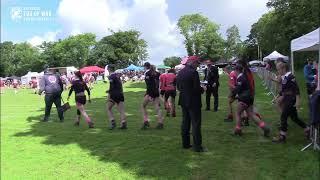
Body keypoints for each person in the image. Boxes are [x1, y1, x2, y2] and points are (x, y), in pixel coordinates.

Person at [272, 62, 310, 143]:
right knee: (294, 118)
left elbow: (296, 90)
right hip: (287, 99)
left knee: (283, 116)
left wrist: (297, 101)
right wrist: (277, 97)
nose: (278, 71)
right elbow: (283, 90)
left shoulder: (291, 77)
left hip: (291, 99)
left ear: (283, 68)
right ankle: (307, 129)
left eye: (278, 69)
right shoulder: (285, 77)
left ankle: (282, 136)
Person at [231, 63, 270, 136]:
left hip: (243, 99)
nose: (234, 73)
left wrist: (233, 95)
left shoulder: (240, 77)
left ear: (237, 70)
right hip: (249, 98)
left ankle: (238, 129)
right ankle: (264, 127)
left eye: (234, 71)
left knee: (238, 113)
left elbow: (238, 89)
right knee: (251, 114)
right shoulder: (244, 76)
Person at [177, 56, 206, 152]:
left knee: (185, 122)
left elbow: (178, 87)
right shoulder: (194, 72)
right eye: (197, 63)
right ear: (192, 62)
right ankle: (197, 146)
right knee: (196, 123)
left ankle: (185, 144)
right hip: (193, 101)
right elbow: (196, 89)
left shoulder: (180, 72)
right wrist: (203, 89)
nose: (198, 65)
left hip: (183, 100)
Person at [141, 62, 164, 129]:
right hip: (156, 92)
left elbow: (149, 85)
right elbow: (157, 83)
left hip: (151, 93)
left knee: (143, 106)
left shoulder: (147, 73)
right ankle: (160, 122)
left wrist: (150, 95)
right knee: (157, 108)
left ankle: (146, 121)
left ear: (146, 67)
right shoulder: (158, 73)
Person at [106, 65, 127, 130]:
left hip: (114, 95)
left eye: (107, 69)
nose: (107, 70)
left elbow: (112, 87)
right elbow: (119, 85)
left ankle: (113, 122)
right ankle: (123, 123)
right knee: (121, 110)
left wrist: (109, 95)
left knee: (108, 108)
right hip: (120, 94)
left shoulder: (111, 76)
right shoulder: (117, 76)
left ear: (109, 69)